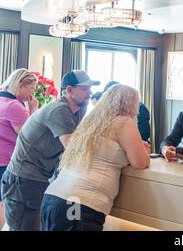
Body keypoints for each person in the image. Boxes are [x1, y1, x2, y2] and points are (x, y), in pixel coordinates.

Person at [40, 84, 150, 231]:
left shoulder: (90, 122)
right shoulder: (123, 122)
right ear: (130, 104)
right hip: (79, 204)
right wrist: (144, 150)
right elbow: (140, 162)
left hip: (52, 197)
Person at [0, 70, 98, 231]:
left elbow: (82, 139)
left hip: (38, 178)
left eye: (90, 88)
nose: (90, 93)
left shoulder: (78, 109)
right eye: (85, 88)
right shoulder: (59, 110)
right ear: (69, 90)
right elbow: (73, 149)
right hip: (23, 180)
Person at [0, 69, 39, 229]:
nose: (32, 92)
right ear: (21, 85)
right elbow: (31, 136)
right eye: (31, 88)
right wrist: (34, 109)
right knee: (4, 206)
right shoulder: (14, 106)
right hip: (7, 163)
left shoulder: (2, 99)